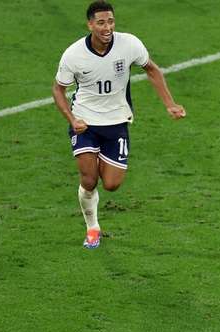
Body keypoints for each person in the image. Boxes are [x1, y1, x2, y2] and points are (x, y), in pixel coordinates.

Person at [52, 1, 186, 249]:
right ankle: (92, 228)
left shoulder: (129, 44)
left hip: (116, 123)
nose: (107, 27)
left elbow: (152, 70)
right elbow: (58, 90)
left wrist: (170, 104)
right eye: (101, 22)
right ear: (90, 24)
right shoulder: (74, 54)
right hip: (85, 123)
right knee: (89, 180)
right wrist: (72, 120)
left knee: (112, 184)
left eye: (110, 21)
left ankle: (99, 160)